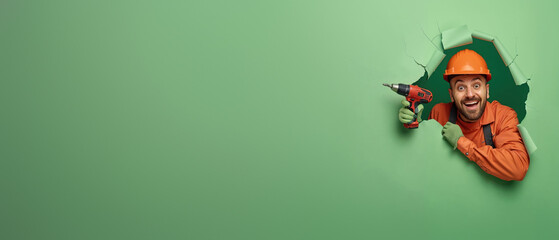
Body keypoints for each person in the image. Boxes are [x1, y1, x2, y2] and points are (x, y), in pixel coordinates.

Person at [399, 49, 530, 181]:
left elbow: (517, 168)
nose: (470, 94)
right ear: (451, 95)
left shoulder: (504, 116)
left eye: (476, 85)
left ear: (487, 91)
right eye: (461, 87)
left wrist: (461, 142)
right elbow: (428, 161)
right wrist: (418, 128)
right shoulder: (439, 113)